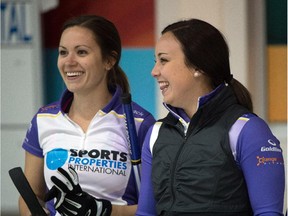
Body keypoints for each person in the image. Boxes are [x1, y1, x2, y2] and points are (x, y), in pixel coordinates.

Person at [136, 18, 285, 216]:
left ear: (198, 66)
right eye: (156, 62)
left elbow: (268, 213)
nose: (154, 72)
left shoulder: (247, 130)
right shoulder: (156, 133)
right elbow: (145, 213)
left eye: (163, 60)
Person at [19, 15, 155, 216]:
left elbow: (153, 209)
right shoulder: (43, 119)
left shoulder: (139, 122)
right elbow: (31, 196)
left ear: (109, 60)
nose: (69, 62)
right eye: (63, 52)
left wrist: (104, 211)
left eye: (81, 52)